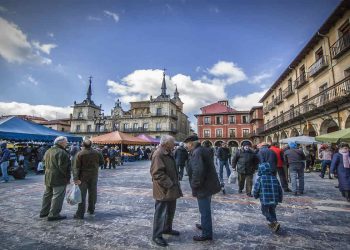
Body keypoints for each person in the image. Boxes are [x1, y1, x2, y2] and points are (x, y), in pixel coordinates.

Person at [185, 135, 221, 242]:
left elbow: (198, 171)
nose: (186, 146)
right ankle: (205, 225)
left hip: (203, 186)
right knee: (205, 209)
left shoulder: (197, 153)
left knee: (204, 210)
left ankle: (207, 234)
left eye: (187, 143)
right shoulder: (203, 150)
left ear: (191, 143)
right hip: (208, 184)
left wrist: (194, 185)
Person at [150, 135, 182, 247]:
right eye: (172, 142)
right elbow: (156, 173)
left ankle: (167, 229)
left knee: (170, 211)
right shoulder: (158, 154)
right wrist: (170, 183)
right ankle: (157, 236)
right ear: (166, 144)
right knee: (160, 213)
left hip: (171, 188)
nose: (174, 144)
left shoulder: (169, 152)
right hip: (163, 189)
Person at [39, 136, 71, 221]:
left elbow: (43, 163)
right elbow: (64, 168)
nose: (66, 143)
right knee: (58, 196)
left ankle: (44, 212)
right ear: (61, 142)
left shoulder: (48, 151)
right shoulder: (62, 152)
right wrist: (67, 178)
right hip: (58, 177)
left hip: (48, 176)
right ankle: (54, 214)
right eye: (65, 142)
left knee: (47, 195)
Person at [73, 139, 103, 219]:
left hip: (83, 177)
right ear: (91, 145)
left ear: (83, 145)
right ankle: (91, 209)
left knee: (82, 195)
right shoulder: (97, 152)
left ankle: (80, 213)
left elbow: (76, 167)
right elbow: (102, 162)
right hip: (94, 175)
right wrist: (95, 167)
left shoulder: (80, 154)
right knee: (93, 193)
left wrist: (76, 178)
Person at [253, 160, 283, 232]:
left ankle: (274, 222)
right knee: (272, 211)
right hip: (274, 199)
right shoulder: (274, 178)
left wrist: (255, 195)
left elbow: (256, 188)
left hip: (265, 199)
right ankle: (274, 223)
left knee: (264, 211)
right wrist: (279, 199)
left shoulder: (260, 179)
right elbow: (279, 189)